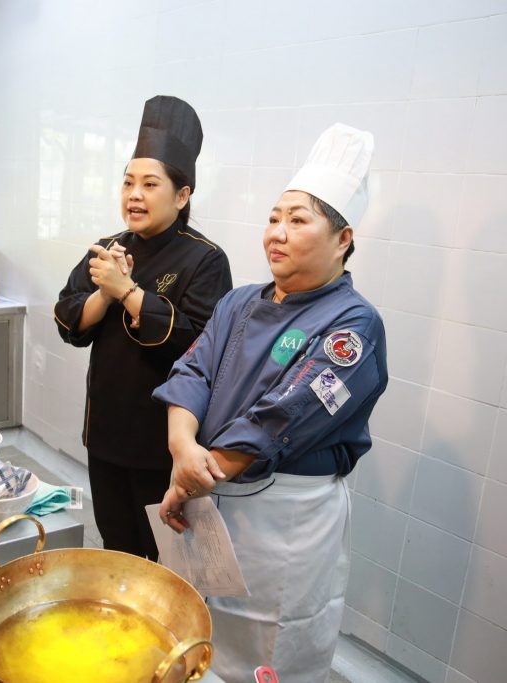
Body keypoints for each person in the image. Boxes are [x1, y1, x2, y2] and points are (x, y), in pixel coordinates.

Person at [153, 123, 389, 683]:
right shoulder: (238, 303)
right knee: (193, 632)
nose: (277, 233)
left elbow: (284, 417)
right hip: (207, 486)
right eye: (274, 218)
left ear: (343, 238)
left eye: (298, 220)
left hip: (284, 518)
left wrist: (191, 478)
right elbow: (192, 371)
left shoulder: (353, 326)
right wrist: (182, 448)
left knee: (269, 649)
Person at [54, 95, 232, 560]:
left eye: (150, 184)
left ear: (182, 195)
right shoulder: (108, 247)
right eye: (128, 182)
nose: (134, 194)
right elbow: (68, 318)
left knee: (168, 561)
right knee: (117, 550)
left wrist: (129, 291)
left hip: (163, 447)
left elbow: (197, 345)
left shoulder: (205, 259)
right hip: (105, 434)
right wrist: (105, 294)